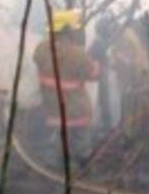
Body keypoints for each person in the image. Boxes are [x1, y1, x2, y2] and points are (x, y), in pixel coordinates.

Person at [32, 9, 99, 155]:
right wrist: (97, 61)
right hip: (77, 111)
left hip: (52, 108)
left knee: (59, 143)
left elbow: (38, 61)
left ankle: (55, 165)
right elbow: (94, 75)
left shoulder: (42, 48)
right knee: (81, 145)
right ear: (68, 31)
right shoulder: (78, 54)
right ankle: (81, 166)